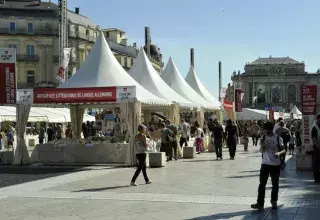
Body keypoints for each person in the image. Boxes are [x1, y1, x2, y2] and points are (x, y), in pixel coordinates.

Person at [251, 121, 286, 210]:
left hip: (275, 165)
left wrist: (279, 153)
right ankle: (260, 203)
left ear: (268, 129)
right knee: (262, 184)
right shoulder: (263, 137)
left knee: (275, 184)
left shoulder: (278, 138)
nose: (263, 131)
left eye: (264, 129)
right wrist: (262, 142)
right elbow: (262, 150)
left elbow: (284, 150)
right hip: (265, 164)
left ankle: (274, 201)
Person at [311, 114, 320, 183]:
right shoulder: (314, 127)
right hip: (317, 148)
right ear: (317, 119)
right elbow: (314, 139)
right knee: (317, 163)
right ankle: (316, 178)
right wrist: (319, 147)